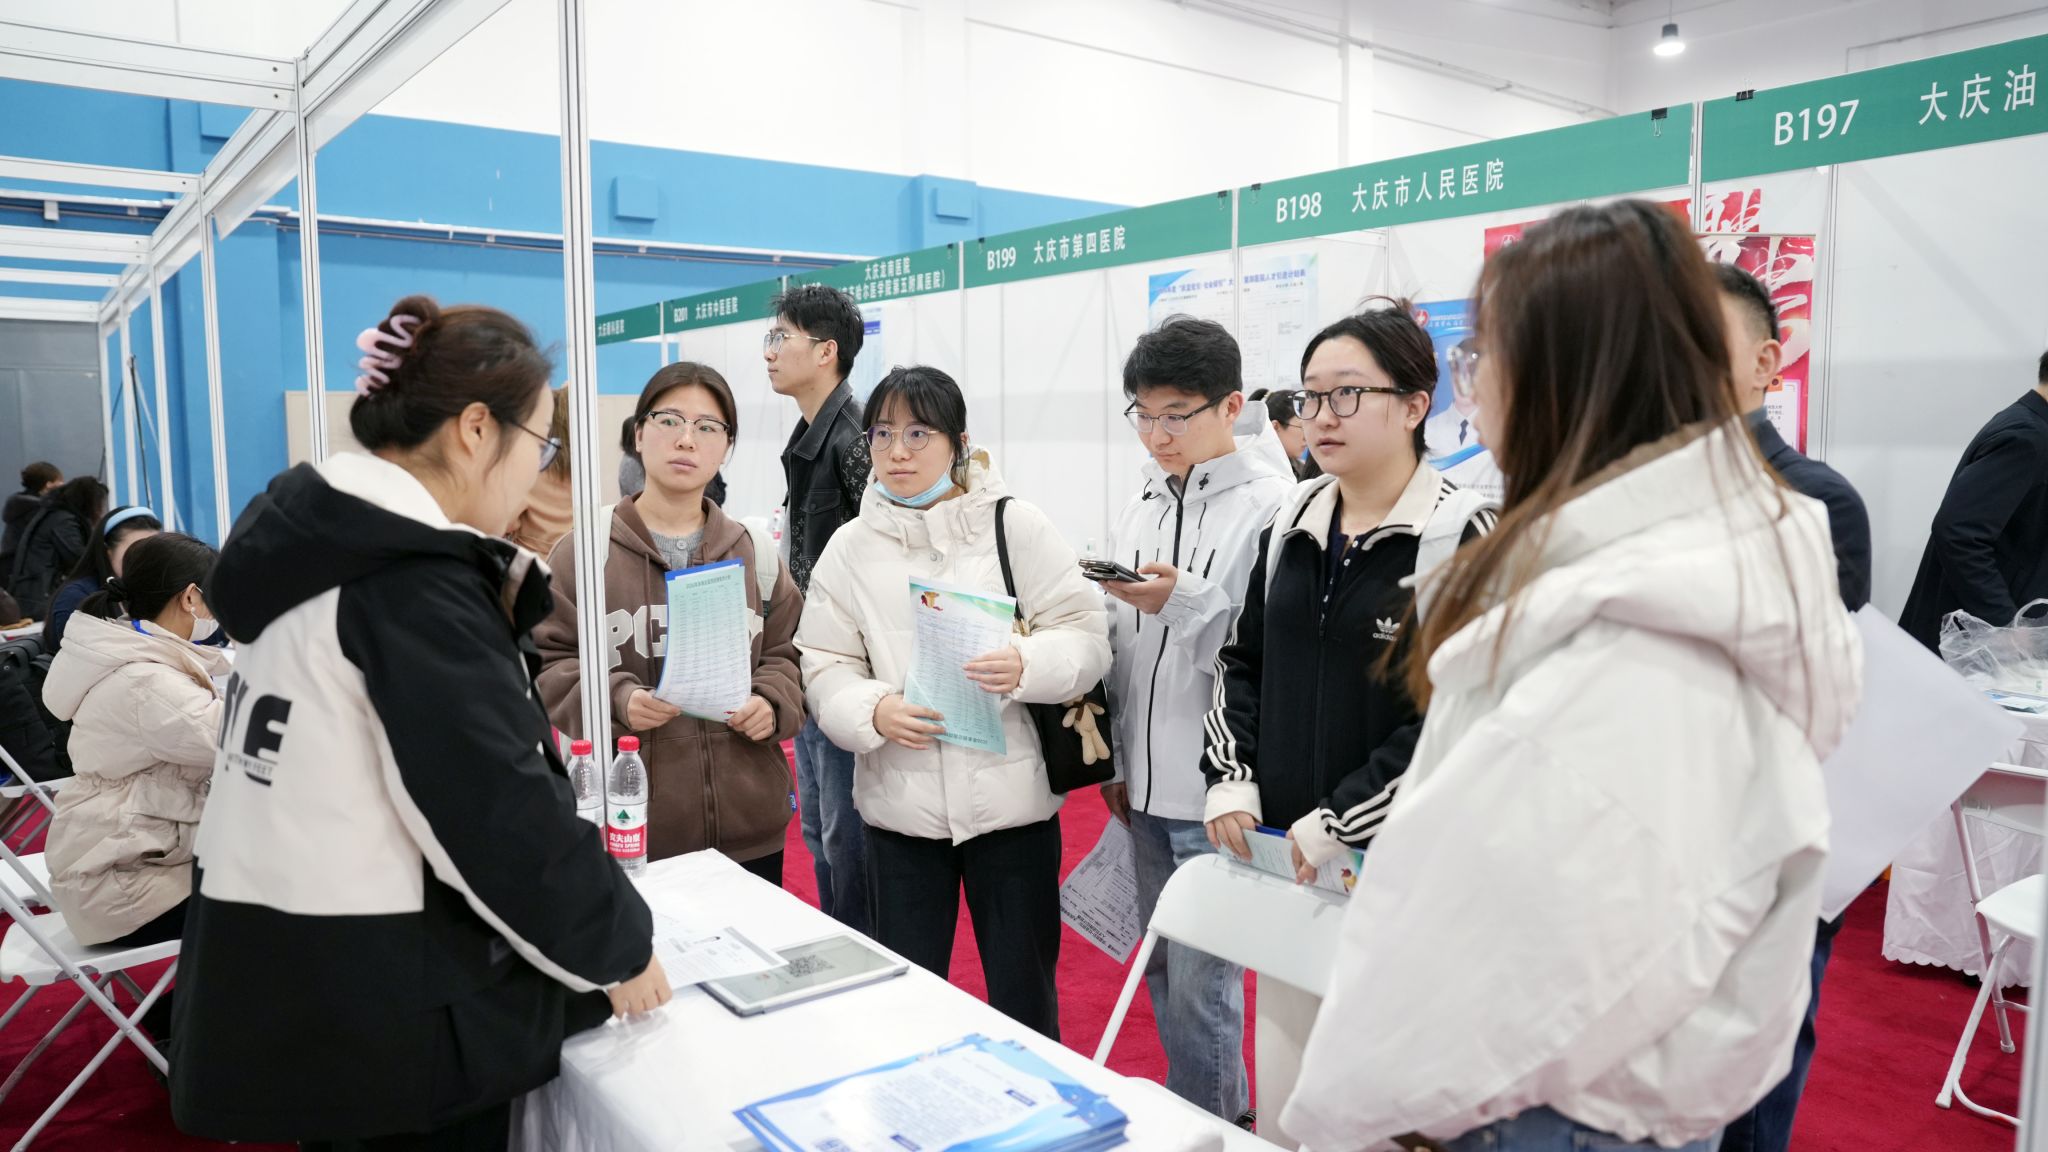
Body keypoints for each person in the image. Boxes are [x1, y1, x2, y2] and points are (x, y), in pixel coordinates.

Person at [1279, 201, 1862, 1152]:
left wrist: (1382, 1101)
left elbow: (1533, 962)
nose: (1474, 388)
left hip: (1542, 1103)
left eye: (1482, 357)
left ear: (1565, 373)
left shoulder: (1637, 626)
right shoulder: (1654, 569)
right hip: (1574, 1087)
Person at [173, 295, 666, 1151]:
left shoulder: (318, 552)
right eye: (541, 445)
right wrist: (618, 947)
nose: (537, 472)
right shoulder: (408, 583)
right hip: (389, 1003)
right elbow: (494, 809)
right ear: (476, 430)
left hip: (304, 969)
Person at [1202, 302, 1495, 1148]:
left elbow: (1461, 717)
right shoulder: (1288, 523)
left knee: (1387, 1110)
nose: (1320, 416)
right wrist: (1232, 778)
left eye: (1347, 394)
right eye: (1310, 396)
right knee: (1290, 1101)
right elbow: (1241, 662)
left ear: (1415, 405)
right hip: (1291, 869)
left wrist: (1343, 820)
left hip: (1402, 879)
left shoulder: (1463, 534)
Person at [797, 366, 1109, 1038]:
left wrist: (1026, 663)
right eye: (883, 435)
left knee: (1026, 1000)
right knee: (911, 1007)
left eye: (919, 434)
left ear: (958, 442)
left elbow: (1085, 637)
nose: (898, 451)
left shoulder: (1015, 526)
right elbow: (824, 663)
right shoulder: (849, 548)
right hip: (901, 814)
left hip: (1012, 810)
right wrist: (872, 709)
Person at [1100, 317, 1290, 1124]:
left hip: (1216, 791)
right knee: (1162, 970)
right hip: (1143, 784)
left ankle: (1215, 1127)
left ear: (1231, 407)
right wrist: (1115, 761)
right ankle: (1204, 1117)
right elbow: (1121, 645)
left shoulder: (1273, 507)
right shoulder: (1143, 501)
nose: (1157, 435)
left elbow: (1267, 654)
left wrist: (1182, 600)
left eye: (1176, 414)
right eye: (1143, 415)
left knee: (1204, 986)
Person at [1712, 264, 1870, 1152]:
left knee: (1753, 1063)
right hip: (1646, 844)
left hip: (1762, 841)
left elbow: (1815, 696)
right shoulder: (1624, 495)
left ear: (1767, 363)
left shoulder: (1812, 499)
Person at [537, 362, 803, 885]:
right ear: (638, 434)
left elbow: (787, 654)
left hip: (750, 831)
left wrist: (771, 703)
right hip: (631, 829)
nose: (687, 439)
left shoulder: (754, 552)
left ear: (726, 447)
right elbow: (550, 662)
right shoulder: (583, 553)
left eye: (708, 427)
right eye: (669, 420)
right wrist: (617, 699)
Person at [43, 533, 225, 950]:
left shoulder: (128, 655)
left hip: (113, 869)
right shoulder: (147, 682)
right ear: (190, 597)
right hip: (127, 891)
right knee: (293, 891)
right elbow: (238, 739)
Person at [769, 282, 874, 932]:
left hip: (847, 668)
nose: (770, 351)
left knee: (844, 832)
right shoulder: (809, 435)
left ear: (826, 351)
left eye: (781, 337)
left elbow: (883, 551)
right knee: (818, 828)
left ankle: (866, 951)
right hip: (808, 659)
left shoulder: (855, 438)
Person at [1899, 349, 2048, 650]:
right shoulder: (2028, 437)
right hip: (1974, 648)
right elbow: (1959, 532)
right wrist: (2004, 623)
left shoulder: (2031, 427)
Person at [41, 506, 161, 654]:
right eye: (136, 551)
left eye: (154, 552)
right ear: (107, 551)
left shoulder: (147, 592)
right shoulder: (77, 597)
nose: (146, 561)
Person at [8, 476, 106, 621]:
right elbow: (80, 559)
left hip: (33, 594)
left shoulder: (54, 515)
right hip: (40, 598)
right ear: (89, 501)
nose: (101, 509)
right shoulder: (63, 521)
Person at [507, 386, 572, 556]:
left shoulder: (532, 470)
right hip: (574, 561)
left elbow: (508, 521)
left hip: (534, 560)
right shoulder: (585, 472)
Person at [0, 461, 61, 581]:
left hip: (8, 568)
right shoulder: (40, 510)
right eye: (60, 481)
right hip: (26, 575)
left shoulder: (18, 504)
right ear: (49, 485)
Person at [1263, 389, 1313, 479]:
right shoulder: (1263, 474)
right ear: (1275, 427)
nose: (1308, 437)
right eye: (1302, 427)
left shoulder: (1301, 468)